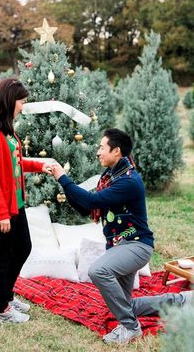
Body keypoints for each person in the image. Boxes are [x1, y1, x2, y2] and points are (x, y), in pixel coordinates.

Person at [50, 128, 155, 344]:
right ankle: (181, 301)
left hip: (136, 246)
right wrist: (63, 185)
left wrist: (64, 178)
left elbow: (90, 201)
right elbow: (85, 209)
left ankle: (131, 327)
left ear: (116, 151)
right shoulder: (110, 177)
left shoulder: (128, 181)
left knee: (98, 271)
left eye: (102, 147)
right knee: (125, 305)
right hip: (118, 246)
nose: (98, 152)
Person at [0, 78, 51, 324]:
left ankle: (6, 295)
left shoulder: (6, 128)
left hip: (15, 203)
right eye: (21, 101)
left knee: (23, 248)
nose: (23, 106)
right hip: (1, 208)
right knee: (2, 256)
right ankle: (0, 309)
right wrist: (0, 214)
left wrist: (42, 165)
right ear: (9, 101)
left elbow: (16, 164)